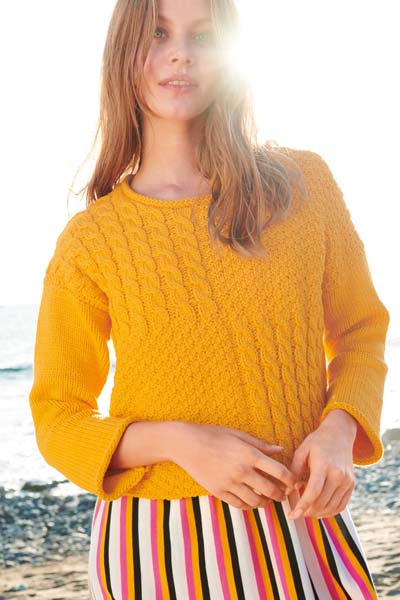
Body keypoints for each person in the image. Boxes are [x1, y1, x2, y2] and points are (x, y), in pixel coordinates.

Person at [29, 0, 390, 598]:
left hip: (304, 523)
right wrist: (182, 442)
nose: (181, 54)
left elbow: (360, 331)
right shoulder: (92, 241)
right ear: (122, 55)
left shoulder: (304, 186)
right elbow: (58, 418)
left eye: (203, 36)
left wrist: (339, 428)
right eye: (158, 33)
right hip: (158, 542)